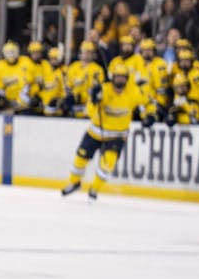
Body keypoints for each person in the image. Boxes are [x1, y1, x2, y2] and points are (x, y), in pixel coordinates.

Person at [61, 62, 155, 201]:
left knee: (107, 165)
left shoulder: (134, 92)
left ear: (127, 78)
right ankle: (74, 182)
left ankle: (94, 189)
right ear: (112, 77)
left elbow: (149, 101)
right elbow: (91, 112)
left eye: (123, 77)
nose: (120, 80)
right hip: (95, 132)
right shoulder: (103, 90)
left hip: (117, 136)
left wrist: (150, 115)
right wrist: (94, 100)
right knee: (80, 159)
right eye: (117, 77)